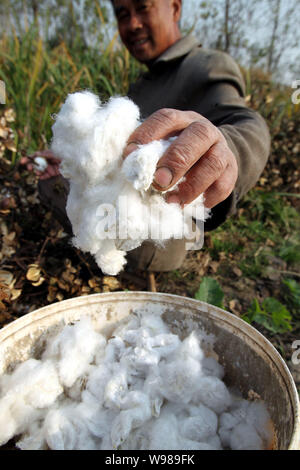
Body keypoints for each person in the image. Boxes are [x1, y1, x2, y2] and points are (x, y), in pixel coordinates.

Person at [22, 0, 270, 272]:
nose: (133, 24)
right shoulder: (141, 85)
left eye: (143, 8)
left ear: (175, 8)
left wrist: (225, 149)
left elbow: (246, 123)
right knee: (48, 181)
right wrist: (71, 164)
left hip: (159, 231)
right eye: (123, 14)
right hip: (130, 218)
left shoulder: (206, 65)